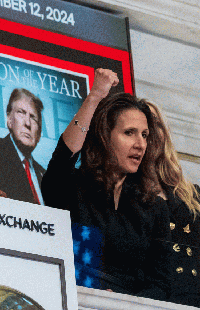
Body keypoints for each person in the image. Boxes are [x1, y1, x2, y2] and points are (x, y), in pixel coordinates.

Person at [42, 68, 170, 299]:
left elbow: (161, 282)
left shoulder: (154, 207)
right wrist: (94, 98)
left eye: (144, 135)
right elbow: (63, 158)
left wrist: (124, 302)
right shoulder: (73, 188)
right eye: (129, 133)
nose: (140, 144)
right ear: (104, 136)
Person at [148, 100, 200, 310]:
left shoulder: (191, 193)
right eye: (145, 124)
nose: (152, 131)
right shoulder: (126, 193)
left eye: (156, 123)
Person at [0, 88, 46, 203]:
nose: (27, 123)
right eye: (21, 112)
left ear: (39, 131)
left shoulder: (45, 176)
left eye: (33, 118)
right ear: (9, 120)